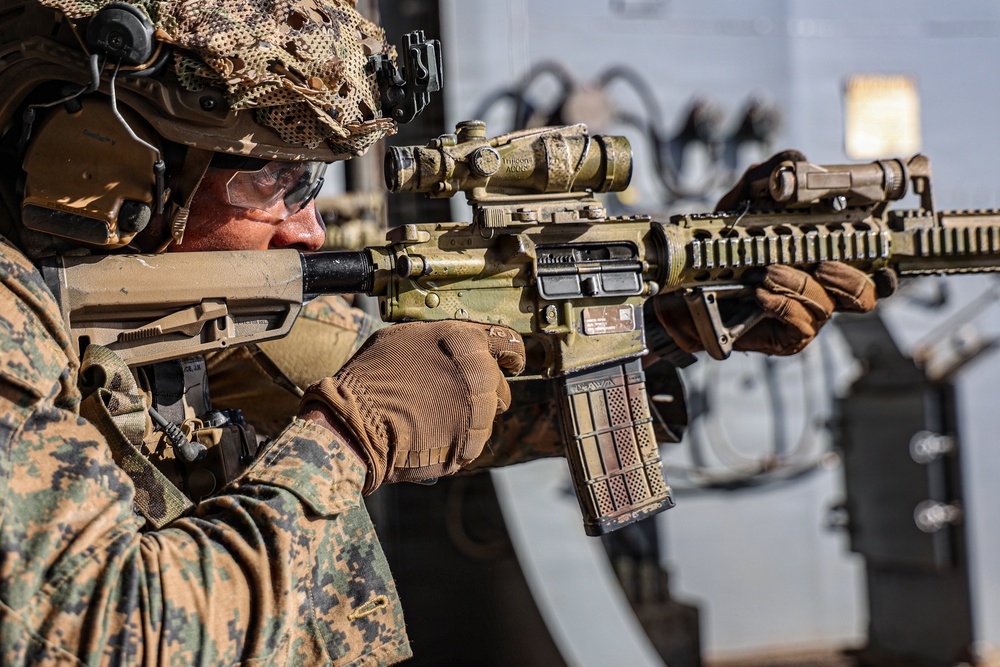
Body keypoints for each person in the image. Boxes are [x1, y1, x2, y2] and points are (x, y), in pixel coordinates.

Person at [0, 0, 879, 664]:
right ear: (109, 163)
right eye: (274, 181)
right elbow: (103, 627)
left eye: (313, 184)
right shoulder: (15, 314)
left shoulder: (177, 308)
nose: (308, 229)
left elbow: (439, 389)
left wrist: (671, 322)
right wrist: (345, 442)